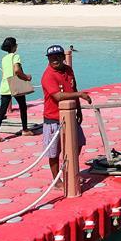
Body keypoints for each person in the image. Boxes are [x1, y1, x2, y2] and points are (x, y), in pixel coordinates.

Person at [41, 44, 90, 189]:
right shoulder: (48, 76)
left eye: (57, 57)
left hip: (71, 116)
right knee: (54, 152)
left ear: (63, 57)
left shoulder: (68, 70)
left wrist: (79, 109)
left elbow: (74, 88)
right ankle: (57, 180)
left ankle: (70, 170)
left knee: (79, 143)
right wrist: (80, 95)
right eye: (51, 58)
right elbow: (58, 96)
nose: (54, 60)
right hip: (53, 119)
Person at [0, 37, 33, 142]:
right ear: (13, 46)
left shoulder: (4, 59)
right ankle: (25, 130)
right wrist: (26, 77)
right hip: (15, 85)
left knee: (2, 111)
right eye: (16, 44)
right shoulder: (16, 56)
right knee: (23, 107)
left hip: (5, 85)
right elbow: (17, 70)